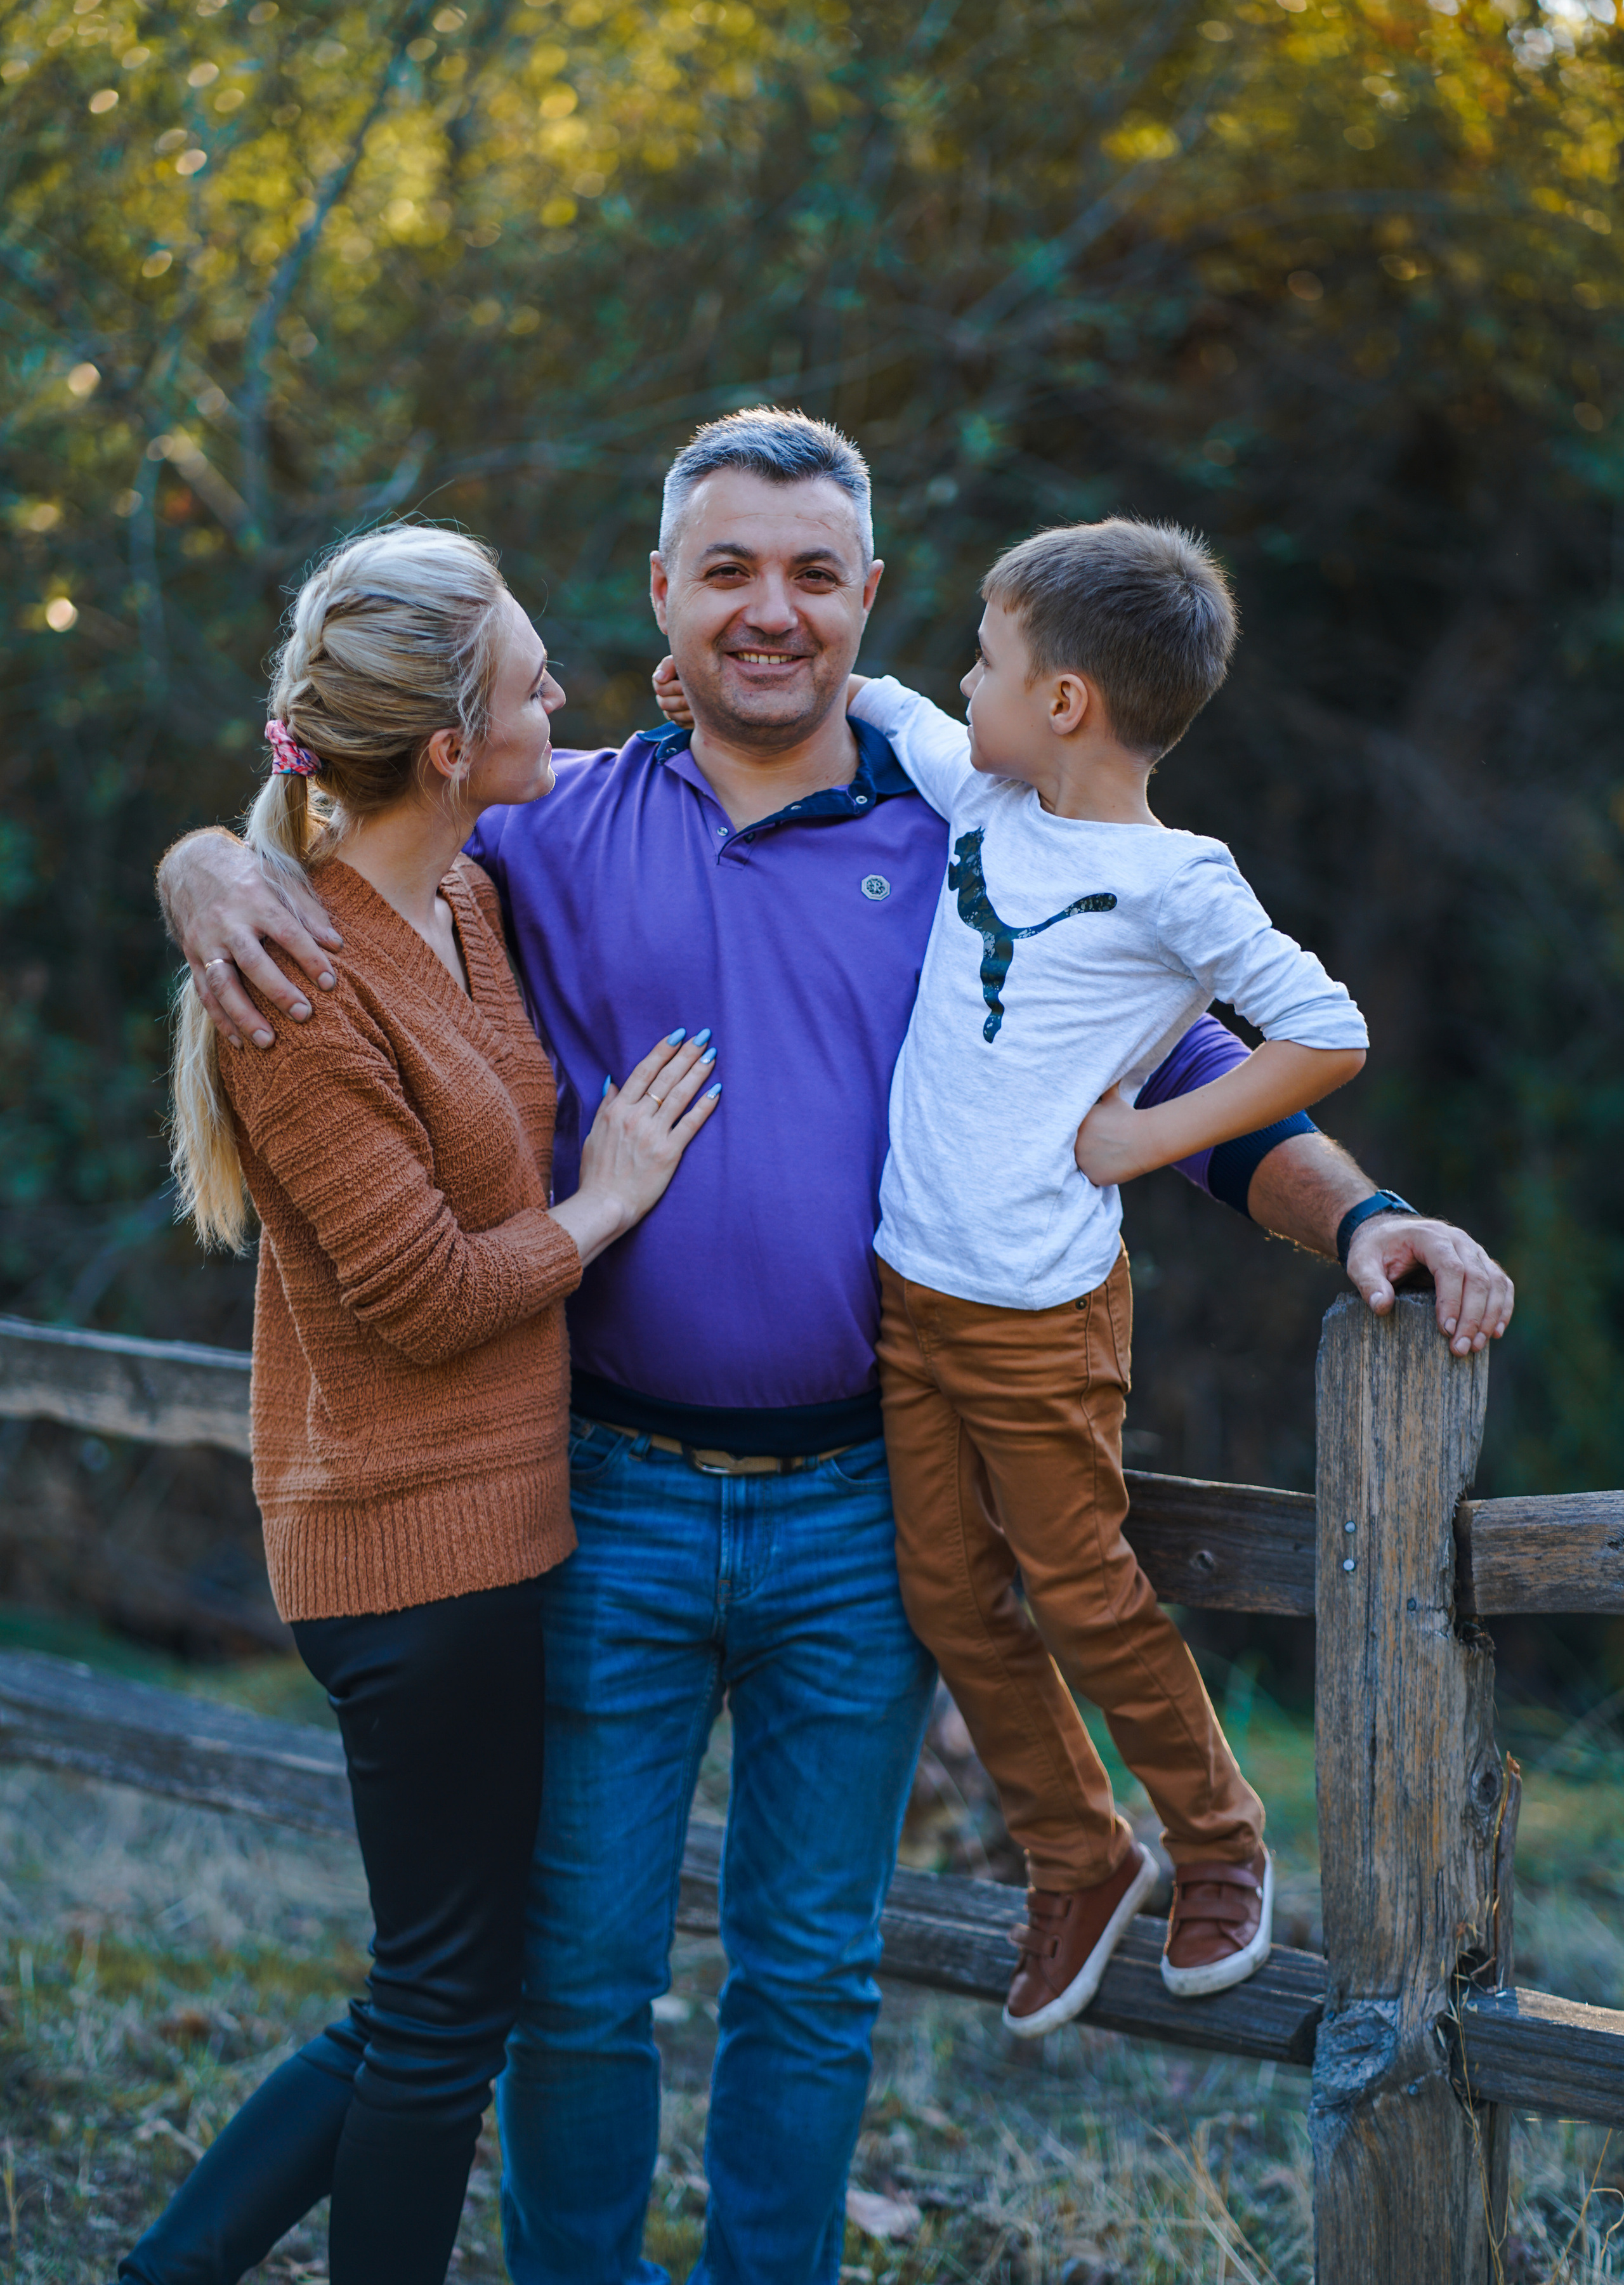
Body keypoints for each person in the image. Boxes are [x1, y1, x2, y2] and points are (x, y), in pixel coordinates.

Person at [159, 411, 1514, 2285]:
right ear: (662, 593)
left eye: (814, 572)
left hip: (867, 1509)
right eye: (728, 567)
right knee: (580, 1974)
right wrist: (204, 865)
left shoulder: (980, 838)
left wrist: (1367, 1214)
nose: (771, 610)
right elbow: (361, 816)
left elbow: (1199, 1068)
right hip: (608, 1496)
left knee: (807, 1974)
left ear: (870, 598)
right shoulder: (549, 829)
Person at [135, 524, 719, 2285]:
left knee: (443, 1990)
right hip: (405, 1553)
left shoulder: (464, 887)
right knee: (442, 2004)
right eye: (534, 676)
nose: (569, 691)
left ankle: (163, 2270)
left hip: (492, 1532)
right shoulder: (293, 990)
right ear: (452, 746)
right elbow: (423, 1293)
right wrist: (607, 1196)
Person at [834, 518, 1368, 2038]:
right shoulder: (984, 791)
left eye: (989, 658)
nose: (965, 681)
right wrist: (732, 682)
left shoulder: (1175, 881)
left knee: (1079, 1580)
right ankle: (1078, 1847)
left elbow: (1324, 1029)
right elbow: (894, 711)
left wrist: (1142, 1138)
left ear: (1064, 698)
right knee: (944, 1587)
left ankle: (1217, 1839)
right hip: (910, 1289)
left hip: (1035, 1308)